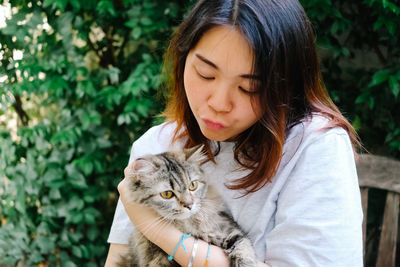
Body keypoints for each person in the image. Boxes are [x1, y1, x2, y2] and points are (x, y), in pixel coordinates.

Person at [105, 0, 363, 266]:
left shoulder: (315, 146)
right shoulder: (157, 145)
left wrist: (157, 229)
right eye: (205, 74)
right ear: (183, 59)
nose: (219, 103)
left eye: (249, 88)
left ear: (285, 87)